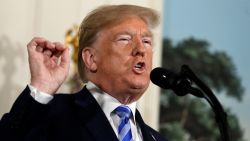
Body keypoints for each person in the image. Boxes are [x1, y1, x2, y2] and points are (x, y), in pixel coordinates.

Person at [0, 4, 168, 141]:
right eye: (125, 39)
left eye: (146, 41)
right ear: (91, 59)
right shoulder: (51, 114)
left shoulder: (157, 138)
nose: (140, 49)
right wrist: (42, 87)